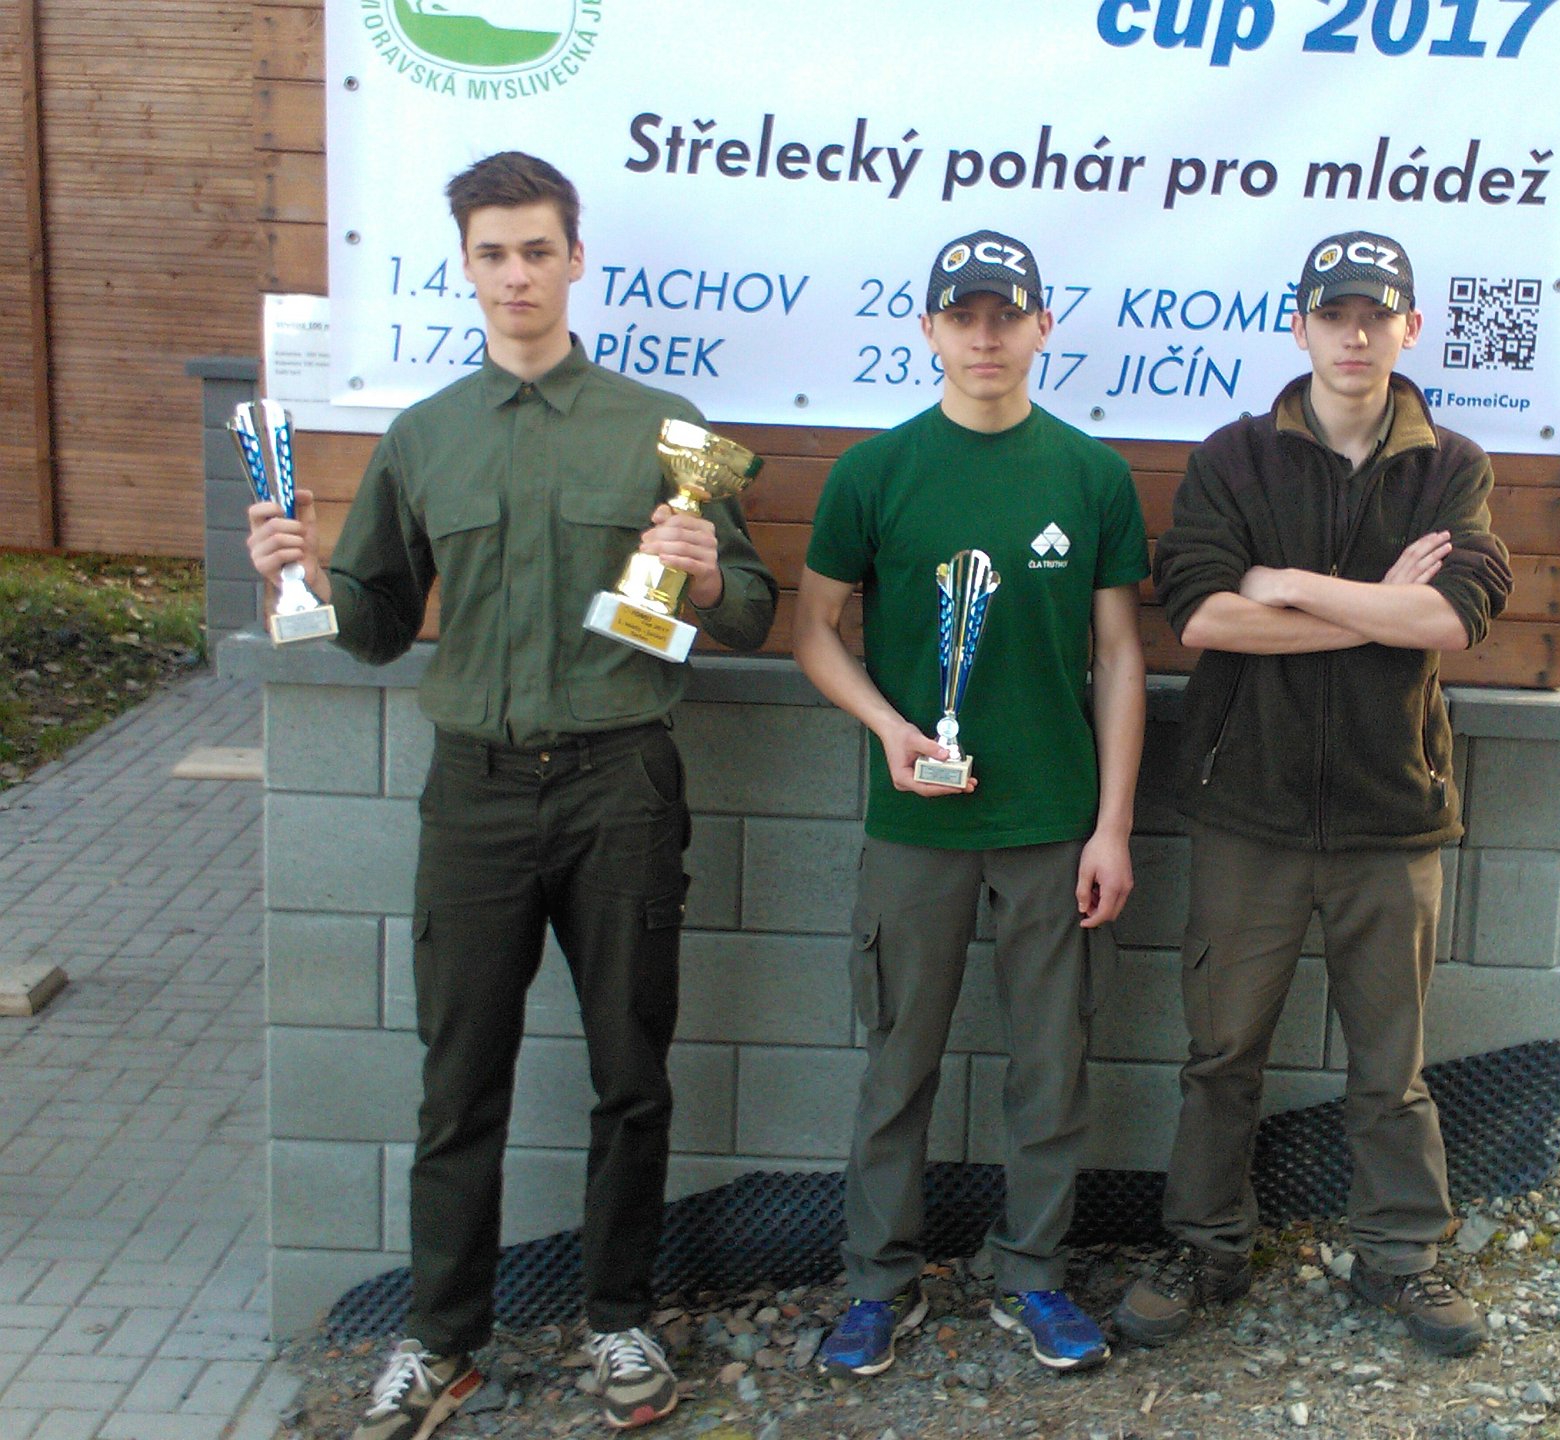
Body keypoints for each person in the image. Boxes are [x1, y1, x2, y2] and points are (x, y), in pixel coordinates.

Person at [246, 151, 775, 1436]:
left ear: (575, 260)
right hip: (475, 793)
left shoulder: (661, 430)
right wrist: (298, 580)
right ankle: (442, 1343)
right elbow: (378, 625)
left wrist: (708, 574)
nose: (518, 274)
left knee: (631, 1070)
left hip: (620, 784)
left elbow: (754, 614)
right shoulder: (426, 437)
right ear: (468, 268)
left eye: (539, 250)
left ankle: (619, 1320)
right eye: (494, 253)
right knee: (458, 1081)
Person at [1112, 229, 1512, 1357]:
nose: (1355, 335)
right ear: (1300, 327)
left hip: (1393, 812)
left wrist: (1288, 583)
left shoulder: (1450, 467)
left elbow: (1452, 618)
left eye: (1376, 315)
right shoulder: (1234, 458)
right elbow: (1204, 615)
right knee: (1222, 1055)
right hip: (1252, 808)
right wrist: (1371, 608)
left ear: (1409, 329)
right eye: (1334, 314)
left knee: (1391, 1067)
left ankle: (1402, 1258)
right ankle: (1206, 1247)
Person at [793, 229, 1149, 1377]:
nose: (985, 337)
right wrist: (889, 728)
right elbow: (813, 631)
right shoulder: (874, 472)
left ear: (1044, 326)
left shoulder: (1090, 475)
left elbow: (1121, 656)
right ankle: (876, 1286)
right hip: (919, 826)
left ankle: (1032, 1277)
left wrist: (1112, 826)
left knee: (1050, 1067)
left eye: (1006, 316)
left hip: (1054, 825)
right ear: (929, 329)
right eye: (963, 316)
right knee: (898, 1063)